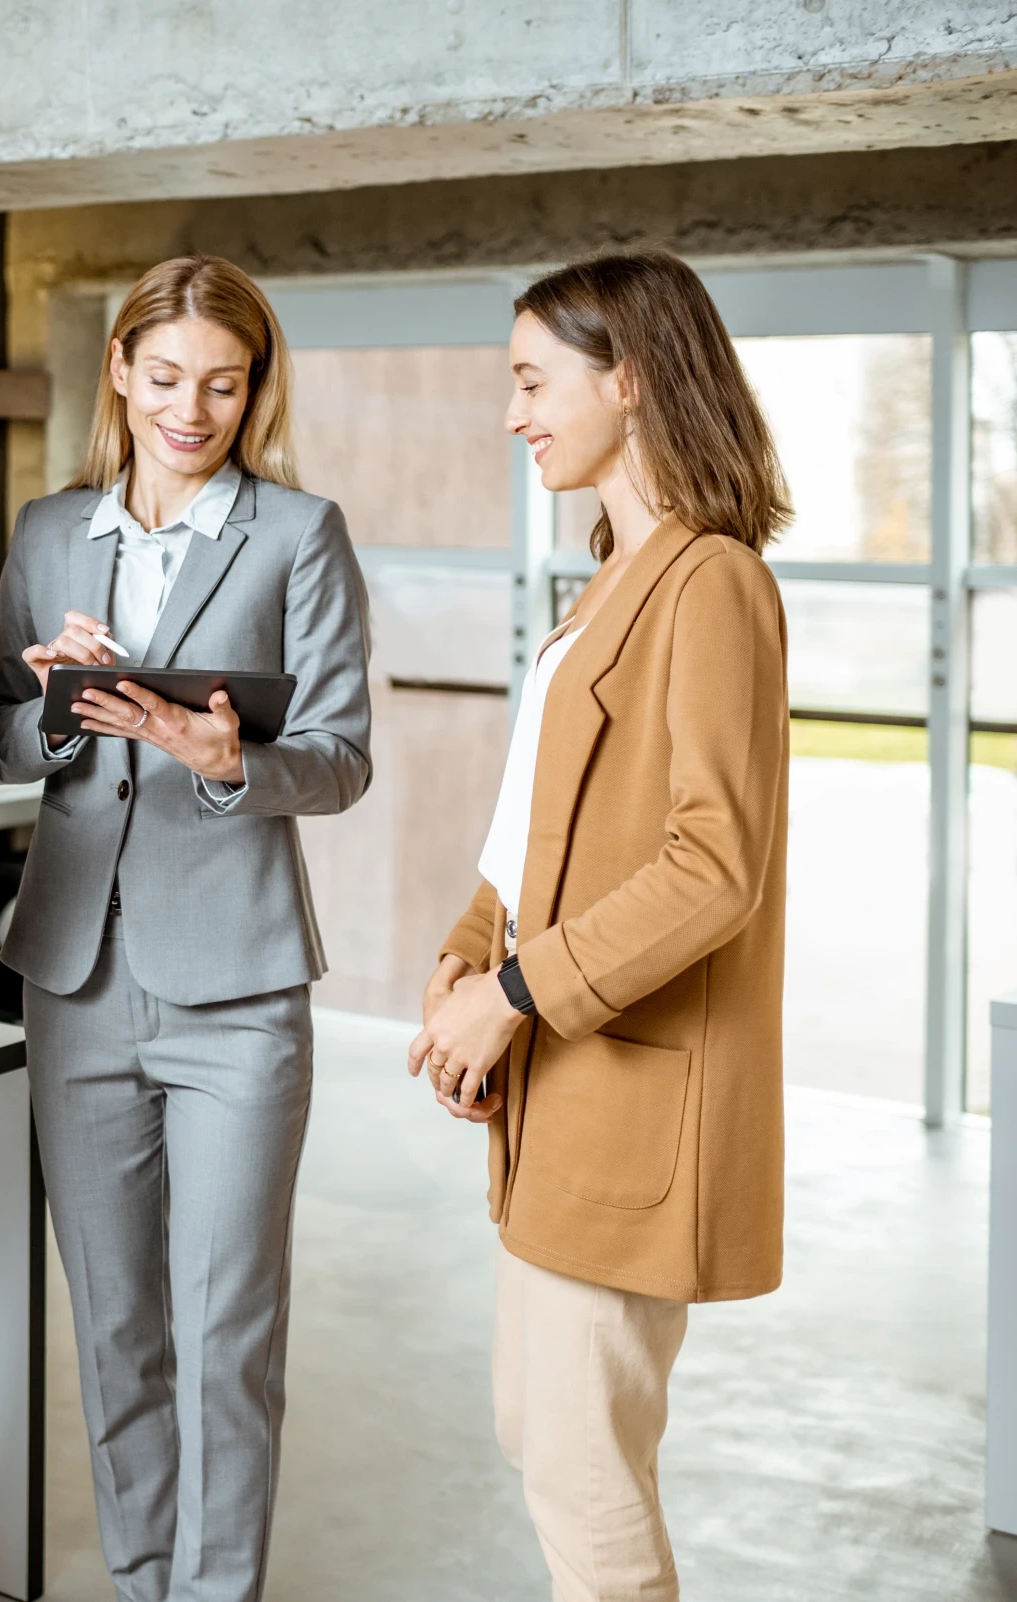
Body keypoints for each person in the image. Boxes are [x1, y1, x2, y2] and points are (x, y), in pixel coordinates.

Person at [0, 255, 372, 1601]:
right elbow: (1, 746)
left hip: (239, 991)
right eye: (164, 379)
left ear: (255, 389)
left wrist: (226, 759)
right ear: (120, 374)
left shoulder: (297, 534)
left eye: (222, 383)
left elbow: (341, 756)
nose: (190, 411)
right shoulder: (48, 532)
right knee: (113, 1327)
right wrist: (49, 706)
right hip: (73, 974)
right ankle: (142, 1584)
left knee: (224, 1333)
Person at [407, 249, 791, 1602]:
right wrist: (468, 949)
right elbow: (540, 825)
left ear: (628, 379)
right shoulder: (612, 580)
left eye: (533, 381)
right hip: (563, 1090)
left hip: (627, 1096)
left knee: (584, 1476)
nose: (512, 412)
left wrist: (514, 995)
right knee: (542, 1432)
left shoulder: (713, 584)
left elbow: (713, 865)